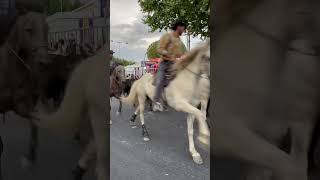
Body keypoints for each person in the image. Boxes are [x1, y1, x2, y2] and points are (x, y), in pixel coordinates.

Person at [153, 22, 187, 111]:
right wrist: (168, 54)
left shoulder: (179, 40)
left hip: (174, 64)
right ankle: (156, 102)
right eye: (183, 28)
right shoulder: (167, 36)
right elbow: (159, 49)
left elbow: (179, 53)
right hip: (164, 63)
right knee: (160, 81)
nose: (184, 30)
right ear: (178, 27)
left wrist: (183, 56)